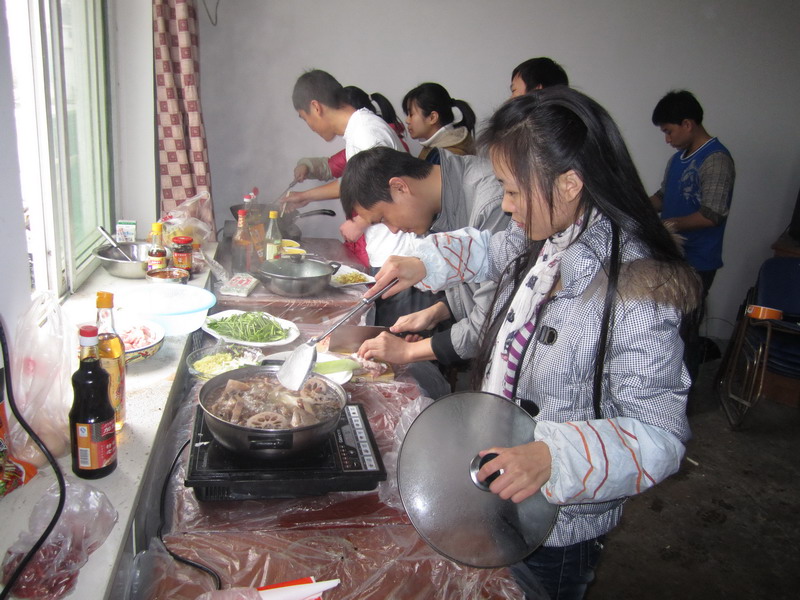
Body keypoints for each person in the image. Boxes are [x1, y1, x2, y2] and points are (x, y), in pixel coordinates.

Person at [361, 88, 700, 599]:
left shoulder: (637, 287)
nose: (506, 205)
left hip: (560, 523)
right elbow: (492, 247)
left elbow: (661, 435)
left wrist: (552, 457)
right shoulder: (552, 232)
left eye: (514, 191)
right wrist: (423, 261)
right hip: (503, 488)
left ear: (570, 183)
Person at [340, 147, 509, 372]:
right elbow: (475, 283)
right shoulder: (438, 207)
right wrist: (438, 311)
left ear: (399, 187)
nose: (393, 230)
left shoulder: (492, 203)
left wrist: (409, 351)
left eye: (383, 218)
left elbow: (492, 323)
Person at [285, 69, 412, 272]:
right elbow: (354, 183)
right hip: (387, 253)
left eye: (304, 117)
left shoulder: (366, 133)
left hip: (396, 255)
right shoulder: (359, 130)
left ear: (316, 107)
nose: (310, 126)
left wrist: (360, 222)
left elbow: (388, 188)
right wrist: (304, 196)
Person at [649, 89, 735, 382]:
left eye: (669, 131)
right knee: (667, 326)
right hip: (672, 255)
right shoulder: (678, 160)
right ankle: (662, 385)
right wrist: (636, 208)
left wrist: (667, 225)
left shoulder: (716, 159)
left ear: (688, 124)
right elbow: (663, 196)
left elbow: (712, 214)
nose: (667, 139)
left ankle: (686, 395)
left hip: (698, 261)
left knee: (686, 330)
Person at [401, 82, 476, 164]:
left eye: (411, 114)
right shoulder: (436, 148)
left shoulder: (448, 156)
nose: (407, 121)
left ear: (432, 117)